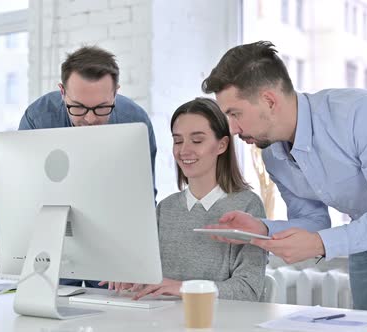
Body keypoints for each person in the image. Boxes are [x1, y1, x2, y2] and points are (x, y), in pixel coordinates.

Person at [201, 41, 367, 315]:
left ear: (269, 100)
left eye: (235, 113)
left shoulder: (360, 114)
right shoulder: (274, 155)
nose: (231, 128)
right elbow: (315, 221)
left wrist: (320, 243)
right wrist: (263, 229)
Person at [18, 45, 158, 288]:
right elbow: (24, 193)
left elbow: (144, 200)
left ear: (116, 93)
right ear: (62, 92)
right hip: (53, 241)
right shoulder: (38, 118)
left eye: (102, 107)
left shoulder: (135, 121)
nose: (91, 118)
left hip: (114, 244)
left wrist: (137, 260)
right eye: (79, 107)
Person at [101, 98, 267, 302]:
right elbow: (156, 281)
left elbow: (248, 290)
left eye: (197, 141)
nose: (184, 150)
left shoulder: (247, 205)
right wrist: (134, 279)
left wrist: (182, 288)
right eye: (178, 141)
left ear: (222, 145)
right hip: (162, 321)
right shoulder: (166, 208)